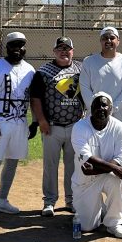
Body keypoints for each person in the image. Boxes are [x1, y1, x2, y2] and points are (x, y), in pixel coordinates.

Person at [0, 31, 36, 223]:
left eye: (21, 45)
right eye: (13, 45)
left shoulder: (30, 70)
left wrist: (34, 121)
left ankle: (2, 200)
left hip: (19, 122)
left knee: (12, 162)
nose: (17, 48)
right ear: (6, 47)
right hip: (0, 122)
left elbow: (32, 98)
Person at [30, 36, 84, 217]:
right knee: (50, 165)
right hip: (52, 127)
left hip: (75, 126)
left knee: (73, 165)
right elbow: (35, 98)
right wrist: (41, 120)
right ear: (54, 51)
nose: (63, 52)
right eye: (60, 48)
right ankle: (49, 200)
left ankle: (71, 200)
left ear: (72, 51)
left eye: (67, 48)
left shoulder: (81, 70)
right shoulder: (44, 72)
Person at [71, 92, 122, 239]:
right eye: (97, 105)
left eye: (104, 105)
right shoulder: (80, 127)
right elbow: (87, 159)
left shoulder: (120, 128)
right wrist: (114, 168)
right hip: (85, 182)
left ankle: (114, 223)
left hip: (107, 176)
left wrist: (97, 170)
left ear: (111, 108)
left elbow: (120, 159)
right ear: (90, 108)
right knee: (86, 227)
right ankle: (101, 208)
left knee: (118, 180)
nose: (101, 108)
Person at [80, 26, 122, 124]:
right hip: (95, 115)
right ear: (100, 41)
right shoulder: (88, 61)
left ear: (118, 41)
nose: (108, 40)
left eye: (112, 38)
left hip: (119, 118)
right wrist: (96, 108)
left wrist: (112, 108)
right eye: (105, 38)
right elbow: (84, 88)